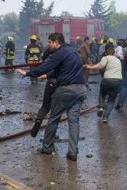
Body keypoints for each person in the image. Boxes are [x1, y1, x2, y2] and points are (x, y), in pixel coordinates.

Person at [16, 33, 86, 161]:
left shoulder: (59, 53)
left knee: (54, 118)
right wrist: (46, 76)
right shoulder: (72, 51)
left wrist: (27, 73)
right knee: (74, 121)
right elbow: (63, 69)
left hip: (66, 89)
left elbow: (45, 66)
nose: (48, 45)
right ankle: (73, 152)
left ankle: (47, 147)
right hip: (80, 89)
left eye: (49, 42)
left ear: (56, 42)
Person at [85, 47, 122, 123]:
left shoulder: (106, 58)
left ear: (106, 53)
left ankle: (101, 106)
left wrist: (89, 67)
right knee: (111, 100)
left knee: (102, 93)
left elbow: (100, 66)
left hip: (107, 80)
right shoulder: (118, 60)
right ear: (114, 53)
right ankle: (105, 117)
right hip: (118, 81)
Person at [30, 47, 57, 138]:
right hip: (59, 84)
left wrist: (29, 74)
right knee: (56, 111)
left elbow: (41, 69)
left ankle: (38, 120)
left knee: (45, 106)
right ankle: (51, 135)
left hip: (49, 84)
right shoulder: (61, 57)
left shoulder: (47, 58)